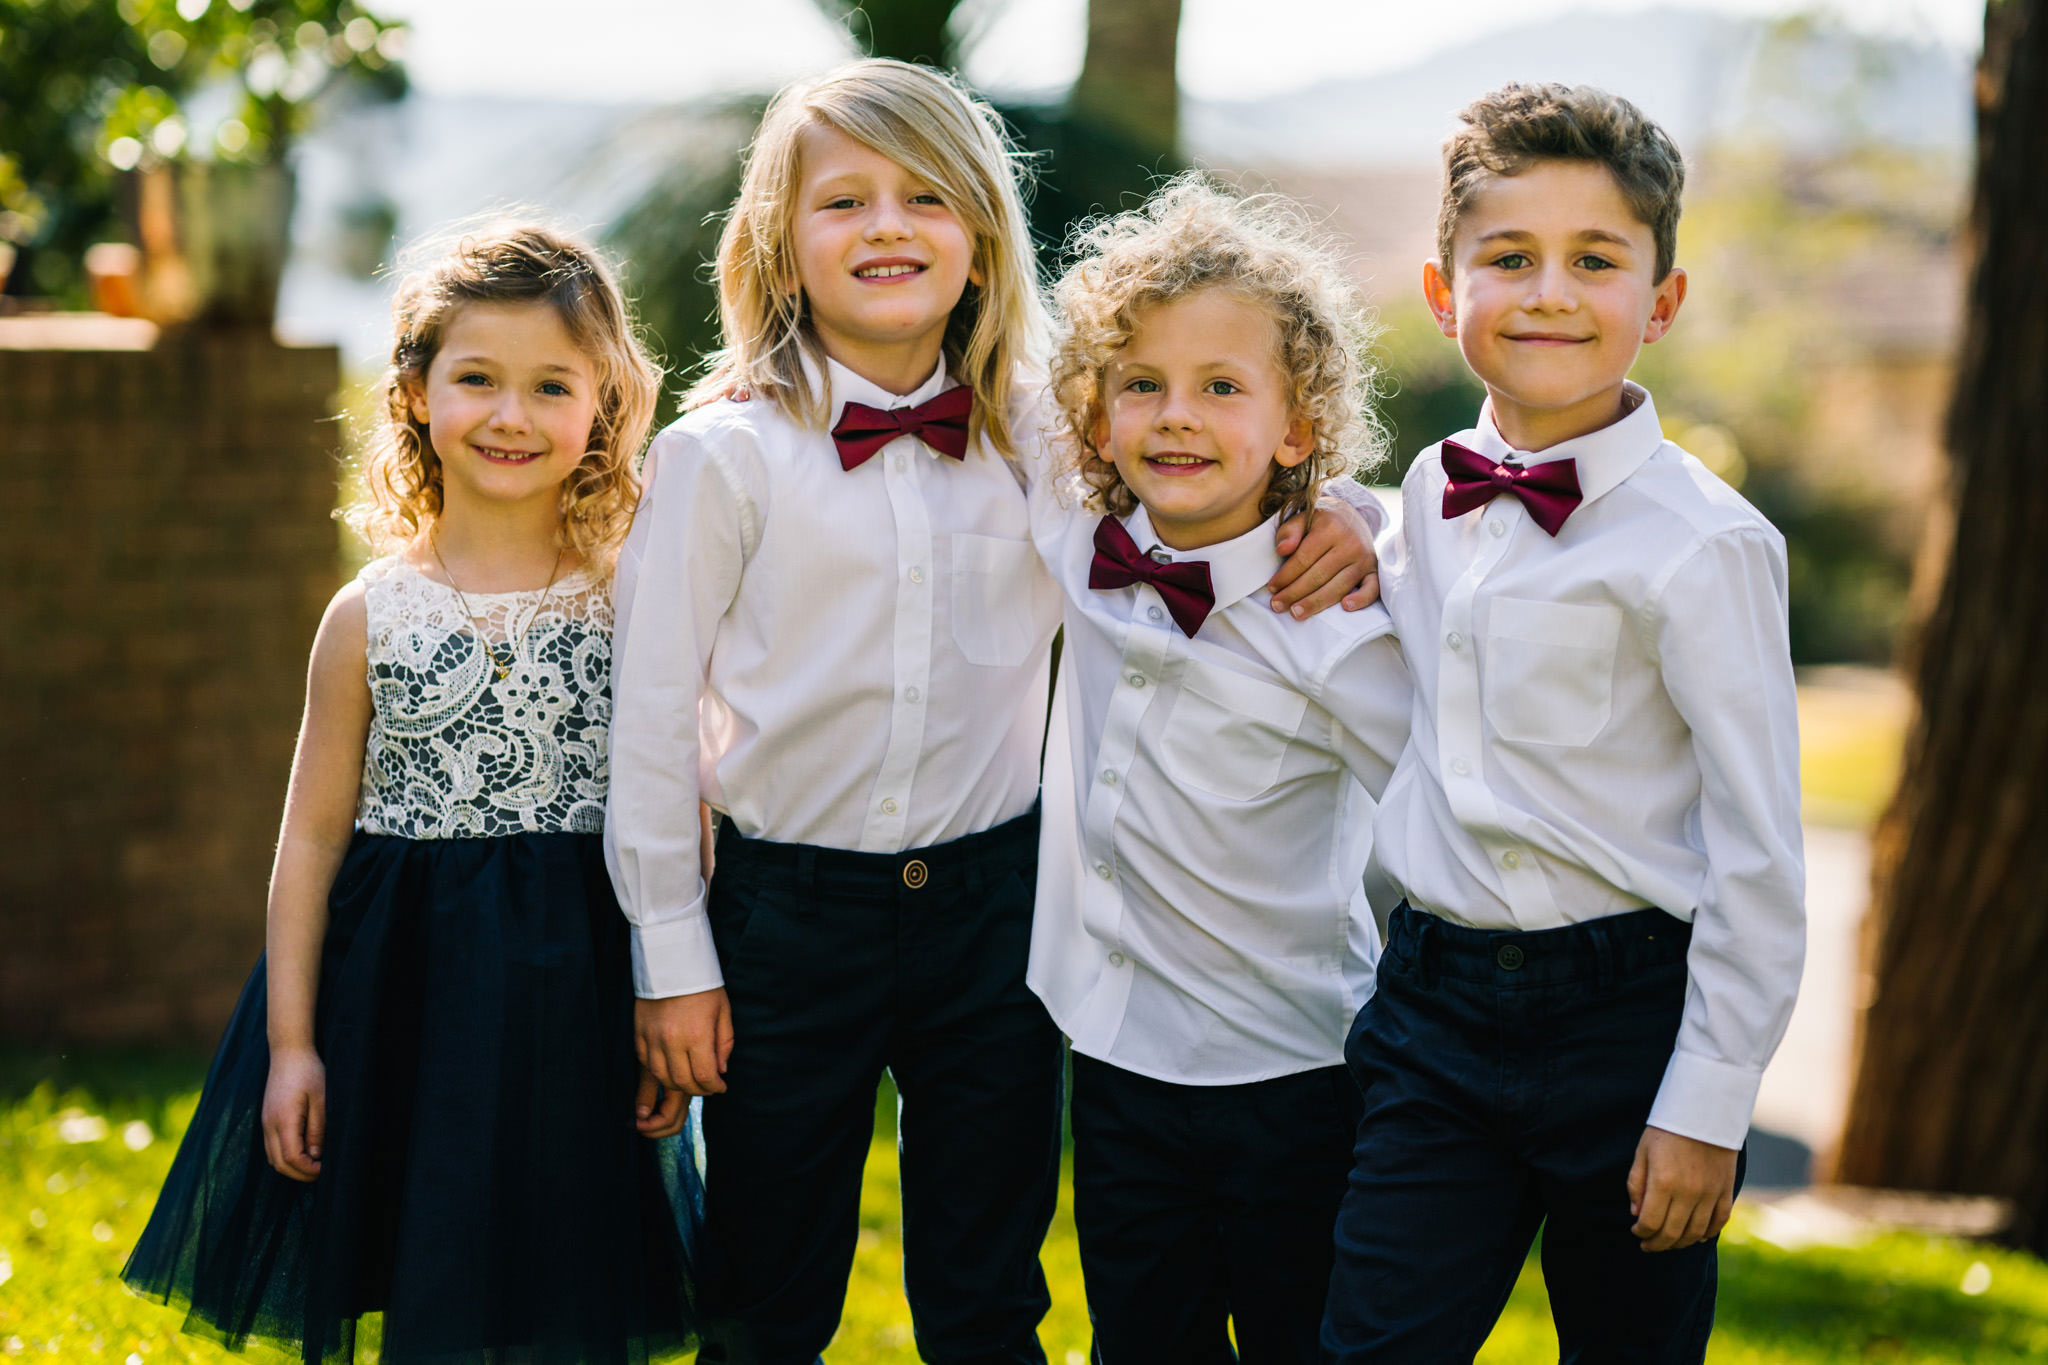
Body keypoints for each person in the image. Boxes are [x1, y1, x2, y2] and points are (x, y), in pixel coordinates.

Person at [605, 59, 1378, 1365]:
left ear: (979, 237)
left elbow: (1200, 495)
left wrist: (1348, 509)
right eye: (842, 201)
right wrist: (671, 956)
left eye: (924, 197)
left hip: (999, 919)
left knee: (986, 1286)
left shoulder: (1049, 432)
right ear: (781, 245)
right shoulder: (720, 456)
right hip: (785, 918)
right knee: (766, 1284)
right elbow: (650, 720)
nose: (888, 226)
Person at [123, 223, 700, 1365]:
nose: (510, 415)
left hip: (583, 988)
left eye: (551, 386)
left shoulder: (638, 601)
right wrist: (293, 1046)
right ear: (414, 392)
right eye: (475, 378)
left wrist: (664, 991)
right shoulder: (369, 616)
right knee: (429, 1270)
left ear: (603, 405)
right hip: (405, 995)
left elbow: (678, 804)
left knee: (569, 1283)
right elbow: (311, 840)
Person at [1321, 83, 1806, 1363]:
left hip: (1629, 1024)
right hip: (1430, 1013)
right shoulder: (1427, 490)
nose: (1547, 293)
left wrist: (1706, 1104)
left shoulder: (1705, 546)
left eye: (1593, 261)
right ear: (1441, 291)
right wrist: (1336, 514)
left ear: (1659, 302)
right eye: (1508, 258)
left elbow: (1759, 853)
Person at [1026, 177, 1412, 1365]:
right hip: (1118, 1059)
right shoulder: (1064, 540)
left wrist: (1373, 522)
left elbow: (1440, 796)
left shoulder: (1341, 624)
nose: (1175, 417)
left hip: (1296, 1075)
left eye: (1222, 388)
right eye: (1140, 384)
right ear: (1093, 418)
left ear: (1296, 429)